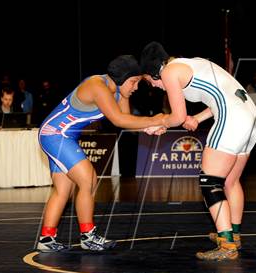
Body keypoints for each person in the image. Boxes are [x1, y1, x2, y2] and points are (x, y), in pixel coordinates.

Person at [140, 41, 256, 261]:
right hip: (251, 116)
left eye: (150, 82)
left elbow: (176, 117)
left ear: (153, 71)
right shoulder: (194, 63)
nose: (155, 87)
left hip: (232, 119)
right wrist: (197, 118)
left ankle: (227, 245)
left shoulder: (168, 71)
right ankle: (233, 234)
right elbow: (225, 95)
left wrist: (161, 123)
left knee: (210, 181)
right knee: (230, 182)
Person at [37, 55, 165, 252]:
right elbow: (119, 120)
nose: (135, 88)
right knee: (88, 179)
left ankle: (46, 239)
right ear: (122, 78)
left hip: (62, 135)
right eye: (133, 82)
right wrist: (154, 120)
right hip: (55, 134)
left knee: (63, 190)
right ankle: (88, 236)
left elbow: (127, 121)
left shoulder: (120, 91)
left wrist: (148, 127)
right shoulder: (97, 85)